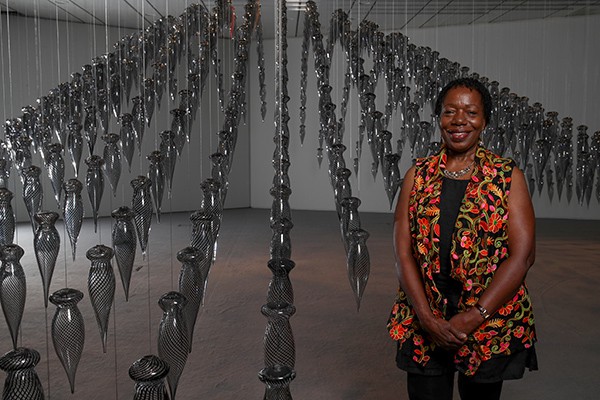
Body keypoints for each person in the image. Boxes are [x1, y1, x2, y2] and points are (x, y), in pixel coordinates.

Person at [386, 77, 538, 400]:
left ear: (484, 121)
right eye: (449, 111)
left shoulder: (507, 177)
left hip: (486, 319)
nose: (459, 120)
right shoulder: (417, 174)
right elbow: (402, 253)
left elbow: (522, 256)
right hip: (425, 314)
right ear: (439, 117)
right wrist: (427, 319)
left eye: (470, 112)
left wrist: (473, 317)